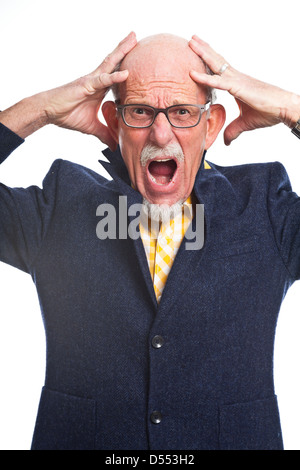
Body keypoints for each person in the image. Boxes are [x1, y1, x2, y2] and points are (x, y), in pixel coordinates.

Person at [0, 31, 300, 450]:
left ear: (211, 125)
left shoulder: (264, 205)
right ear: (114, 121)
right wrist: (41, 109)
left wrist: (292, 108)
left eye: (182, 112)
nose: (161, 135)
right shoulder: (61, 203)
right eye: (140, 112)